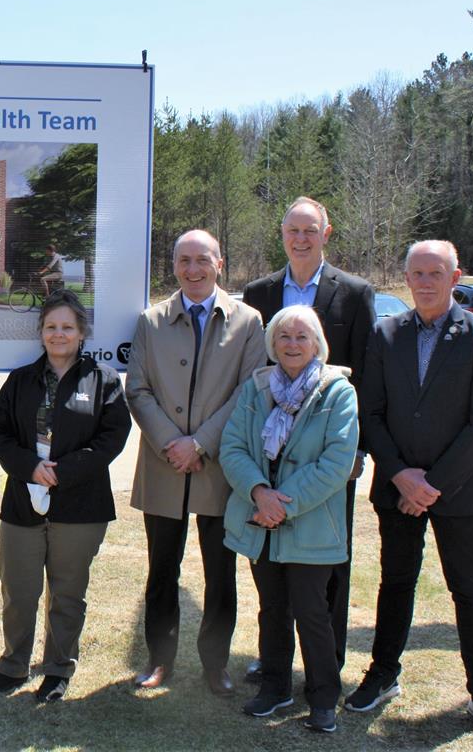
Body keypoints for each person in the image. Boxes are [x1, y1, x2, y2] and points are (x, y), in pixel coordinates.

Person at [346, 240, 473, 739]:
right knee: (395, 582)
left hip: (458, 489)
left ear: (456, 278)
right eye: (417, 273)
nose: (425, 282)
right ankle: (384, 674)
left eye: (436, 273)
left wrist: (431, 484)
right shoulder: (386, 334)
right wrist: (399, 474)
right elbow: (371, 412)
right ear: (405, 279)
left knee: (468, 589)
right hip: (397, 486)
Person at [125, 230, 266, 696]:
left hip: (220, 467)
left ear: (219, 263)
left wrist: (200, 442)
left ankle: (215, 664)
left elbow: (249, 392)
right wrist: (173, 442)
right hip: (164, 466)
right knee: (162, 570)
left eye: (202, 260)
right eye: (183, 261)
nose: (193, 269)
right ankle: (159, 660)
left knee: (220, 573)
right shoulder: (150, 321)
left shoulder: (249, 321)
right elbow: (138, 390)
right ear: (174, 266)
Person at [242, 196, 375, 680]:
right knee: (270, 559)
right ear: (282, 234)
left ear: (327, 232)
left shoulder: (355, 293)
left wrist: (357, 448)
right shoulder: (259, 293)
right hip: (269, 453)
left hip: (325, 454)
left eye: (310, 230)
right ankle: (273, 659)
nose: (301, 239)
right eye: (293, 230)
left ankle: (327, 662)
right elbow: (252, 372)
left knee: (328, 566)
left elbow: (367, 372)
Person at [0, 289, 132, 702]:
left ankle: (58, 670)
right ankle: (12, 667)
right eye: (51, 327)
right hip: (22, 502)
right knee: (19, 591)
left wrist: (64, 472)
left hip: (81, 505)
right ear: (41, 332)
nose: (58, 334)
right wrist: (30, 466)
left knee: (67, 594)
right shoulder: (20, 381)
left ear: (82, 333)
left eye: (67, 327)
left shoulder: (104, 381)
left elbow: (113, 438)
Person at [219, 305, 358, 733]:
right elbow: (233, 448)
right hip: (260, 521)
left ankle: (322, 696)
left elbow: (337, 463)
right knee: (272, 609)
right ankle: (275, 687)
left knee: (312, 612)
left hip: (310, 524)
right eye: (284, 337)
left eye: (302, 337)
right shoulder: (256, 388)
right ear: (272, 343)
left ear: (317, 343)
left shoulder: (338, 392)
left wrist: (285, 503)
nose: (292, 344)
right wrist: (260, 493)